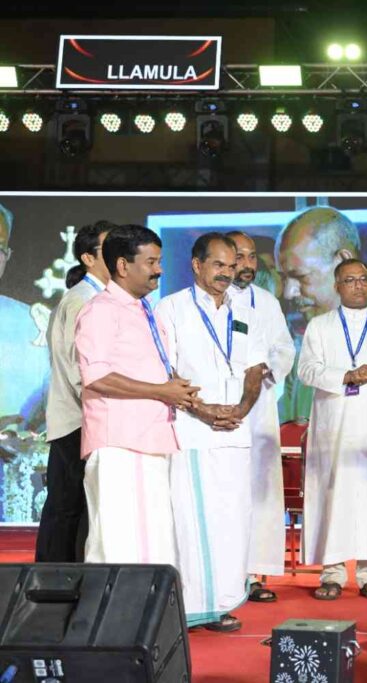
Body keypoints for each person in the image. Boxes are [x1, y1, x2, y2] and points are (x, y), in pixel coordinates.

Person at [156, 233, 268, 633]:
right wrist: (203, 410)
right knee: (193, 521)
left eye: (231, 265)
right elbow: (166, 371)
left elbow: (255, 369)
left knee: (232, 519)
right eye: (218, 265)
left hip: (236, 430)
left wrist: (241, 409)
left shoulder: (246, 311)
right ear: (197, 265)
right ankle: (191, 607)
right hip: (192, 431)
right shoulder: (171, 308)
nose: (226, 273)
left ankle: (221, 602)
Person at [75, 224, 198, 565]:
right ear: (122, 266)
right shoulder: (101, 310)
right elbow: (96, 376)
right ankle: (112, 603)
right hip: (118, 444)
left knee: (154, 543)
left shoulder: (144, 310)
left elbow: (152, 369)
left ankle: (149, 601)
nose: (160, 270)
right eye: (151, 262)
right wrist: (161, 391)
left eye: (160, 261)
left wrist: (180, 390)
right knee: (116, 542)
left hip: (151, 440)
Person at [298, 259, 367, 601]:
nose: (358, 285)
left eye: (364, 279)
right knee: (333, 495)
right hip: (335, 423)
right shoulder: (319, 325)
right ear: (337, 286)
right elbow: (306, 370)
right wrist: (347, 376)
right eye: (350, 280)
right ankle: (331, 573)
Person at [274, 206, 367, 422]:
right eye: (284, 278)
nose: (289, 292)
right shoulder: (307, 342)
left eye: (301, 276)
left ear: (343, 261)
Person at [36, 220, 116, 562]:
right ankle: (53, 580)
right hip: (79, 419)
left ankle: (64, 578)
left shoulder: (103, 299)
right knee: (68, 507)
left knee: (75, 506)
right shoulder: (82, 300)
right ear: (88, 257)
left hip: (87, 418)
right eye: (108, 248)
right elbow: (80, 369)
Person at [226, 231, 296, 603]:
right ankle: (220, 573)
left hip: (259, 408)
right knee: (223, 489)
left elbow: (284, 348)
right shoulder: (203, 301)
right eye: (239, 256)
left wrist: (266, 369)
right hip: (216, 409)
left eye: (252, 256)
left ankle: (252, 574)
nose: (247, 264)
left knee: (256, 488)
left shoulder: (267, 302)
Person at [0, 203, 52, 521]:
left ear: (8, 256)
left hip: (14, 481)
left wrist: (32, 430)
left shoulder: (33, 322)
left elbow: (50, 398)